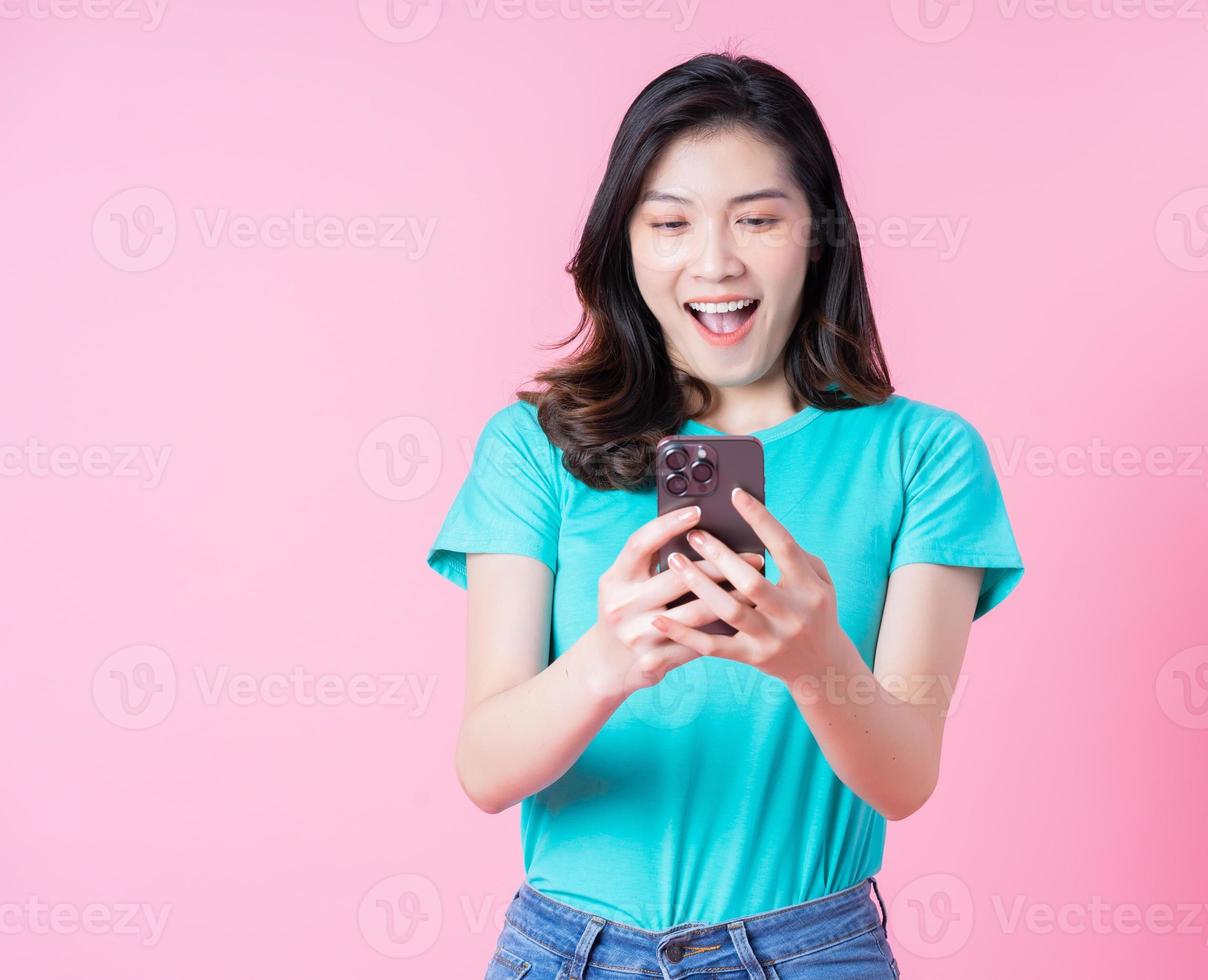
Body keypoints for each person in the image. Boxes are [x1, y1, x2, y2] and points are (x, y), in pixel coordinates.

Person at [427, 50, 1025, 979]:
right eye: (669, 223)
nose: (715, 262)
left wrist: (817, 660)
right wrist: (607, 659)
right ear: (625, 243)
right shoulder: (531, 445)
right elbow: (485, 770)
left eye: (758, 219)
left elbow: (905, 779)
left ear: (817, 235)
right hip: (565, 952)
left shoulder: (925, 455)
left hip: (810, 951)